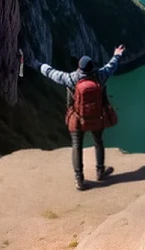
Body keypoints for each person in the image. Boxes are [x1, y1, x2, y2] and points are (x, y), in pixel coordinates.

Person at [36, 45, 125, 190]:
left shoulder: (71, 78)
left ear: (79, 67)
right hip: (97, 116)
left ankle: (79, 180)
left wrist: (37, 64)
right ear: (92, 67)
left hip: (77, 118)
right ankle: (100, 171)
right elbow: (112, 65)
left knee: (77, 146)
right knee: (98, 141)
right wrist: (117, 54)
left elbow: (51, 73)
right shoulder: (100, 76)